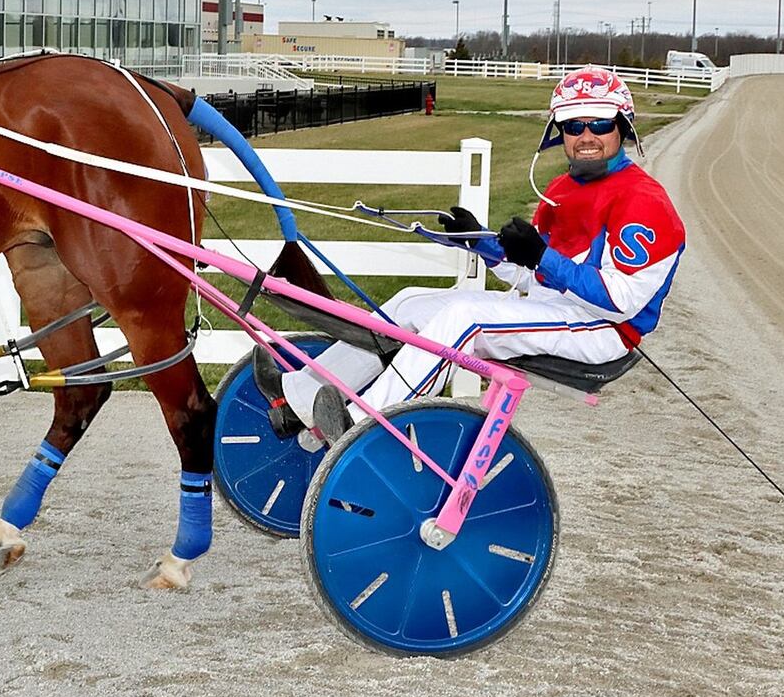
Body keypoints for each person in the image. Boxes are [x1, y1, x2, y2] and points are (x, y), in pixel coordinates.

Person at [262, 65, 687, 442]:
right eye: (574, 126)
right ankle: (301, 395)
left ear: (623, 127)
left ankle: (358, 425)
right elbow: (532, 279)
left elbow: (622, 302)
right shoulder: (561, 190)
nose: (587, 136)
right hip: (556, 310)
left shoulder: (643, 200)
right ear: (560, 133)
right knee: (411, 302)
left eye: (600, 123)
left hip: (603, 331)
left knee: (465, 319)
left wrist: (541, 258)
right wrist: (483, 246)